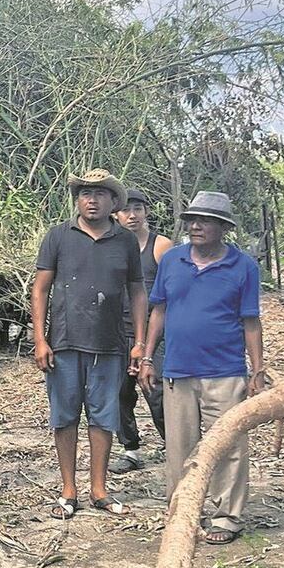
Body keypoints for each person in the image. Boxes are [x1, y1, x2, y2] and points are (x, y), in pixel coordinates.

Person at [139, 191, 264, 545]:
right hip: (178, 370)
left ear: (223, 228)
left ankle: (227, 517)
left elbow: (251, 321)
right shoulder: (172, 261)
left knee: (229, 446)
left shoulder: (243, 267)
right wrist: (148, 357)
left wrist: (257, 369)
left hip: (225, 371)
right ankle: (182, 512)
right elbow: (158, 311)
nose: (196, 226)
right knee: (180, 447)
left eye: (205, 220)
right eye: (192, 220)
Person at [31, 168, 147, 519]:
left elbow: (137, 291)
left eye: (99, 194)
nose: (91, 199)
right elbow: (41, 289)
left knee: (103, 417)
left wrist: (139, 342)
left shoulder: (124, 240)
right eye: (84, 193)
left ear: (114, 201)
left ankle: (99, 488)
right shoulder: (58, 237)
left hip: (110, 344)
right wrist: (40, 338)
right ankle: (69, 490)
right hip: (64, 342)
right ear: (77, 200)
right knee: (65, 417)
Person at [109, 188, 173, 474]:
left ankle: (176, 445)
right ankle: (131, 449)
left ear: (147, 211)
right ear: (116, 214)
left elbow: (172, 294)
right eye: (126, 210)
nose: (132, 215)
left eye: (138, 209)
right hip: (116, 331)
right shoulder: (110, 246)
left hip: (154, 332)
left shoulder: (161, 246)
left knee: (156, 390)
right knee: (119, 393)